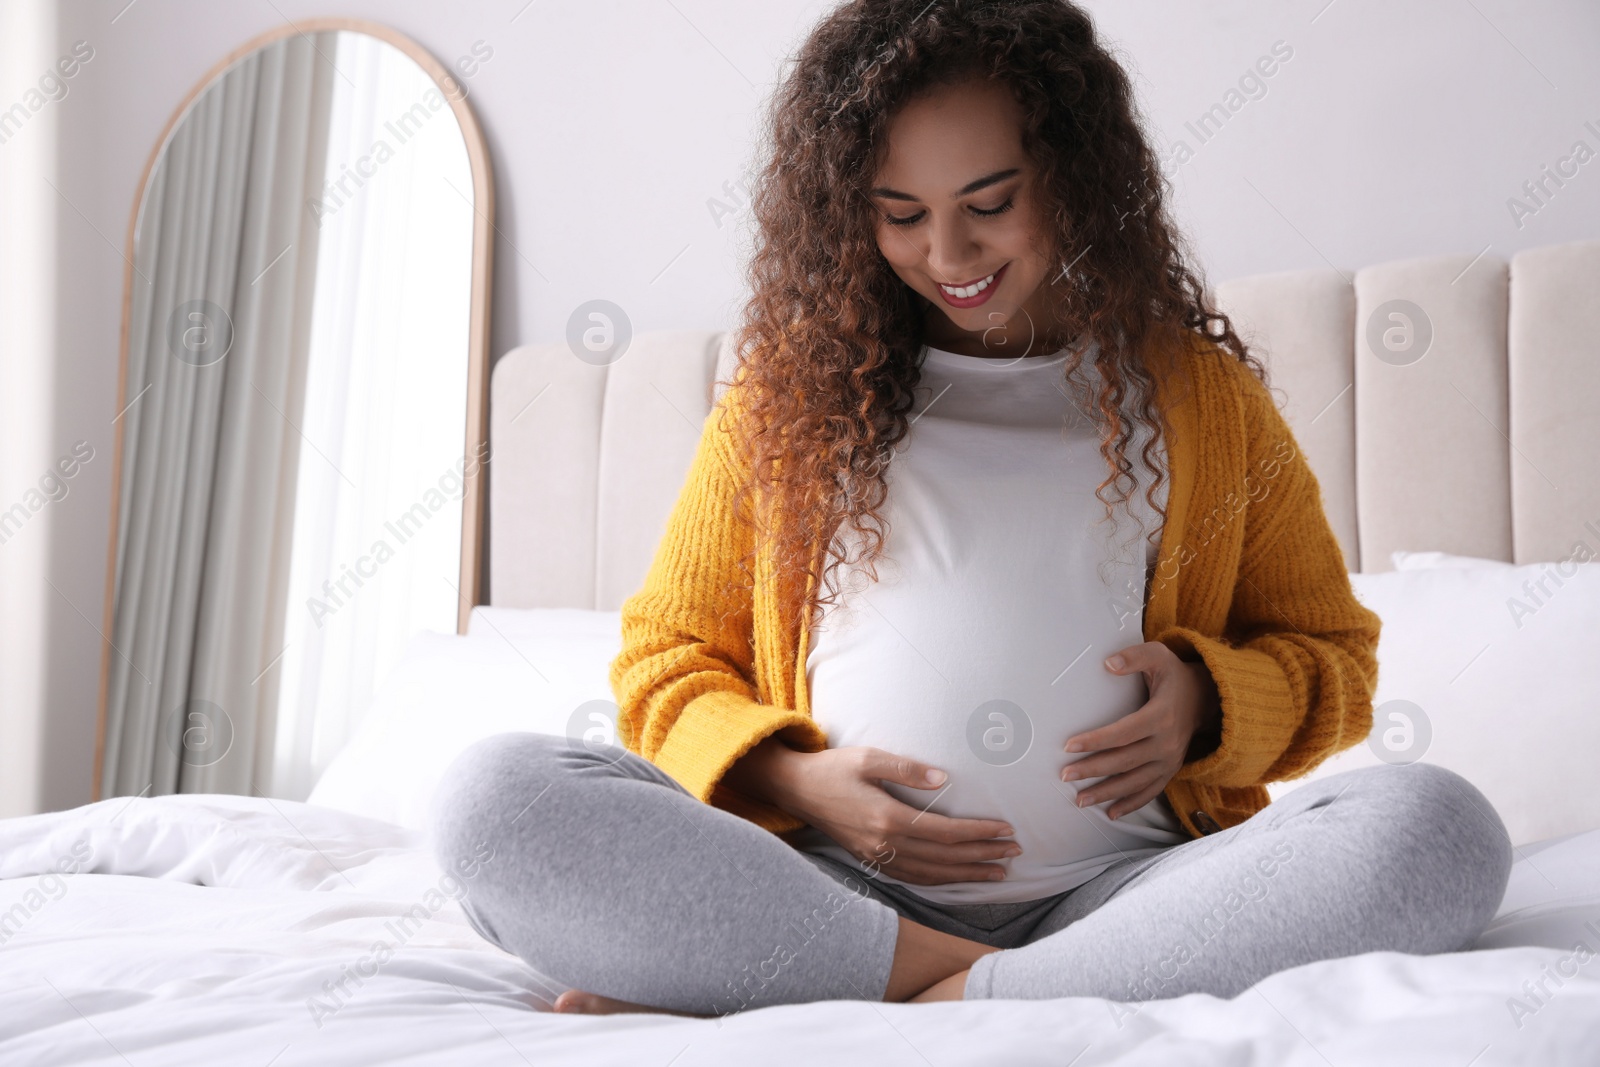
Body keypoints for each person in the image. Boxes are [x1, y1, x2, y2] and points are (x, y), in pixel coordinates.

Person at [432, 0, 1511, 1015]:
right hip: (831, 887)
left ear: (1073, 178)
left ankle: (897, 990)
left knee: (1434, 826)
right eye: (901, 215)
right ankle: (967, 978)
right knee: (494, 800)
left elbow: (1332, 655)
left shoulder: (1203, 401)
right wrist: (801, 782)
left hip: (1128, 895)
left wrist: (1203, 705)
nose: (946, 257)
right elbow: (662, 661)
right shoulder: (784, 403)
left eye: (989, 204)